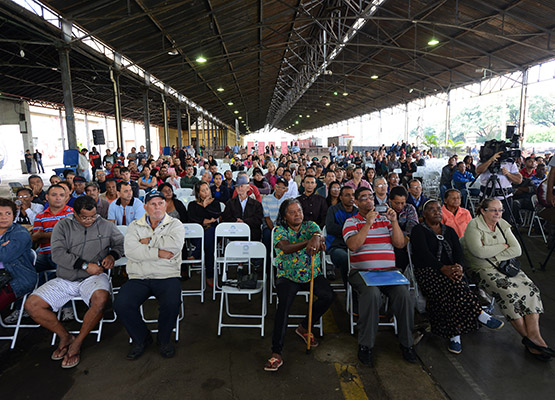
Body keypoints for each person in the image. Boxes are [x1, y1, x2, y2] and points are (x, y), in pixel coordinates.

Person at [25, 196, 124, 369]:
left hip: (93, 278)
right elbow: (57, 254)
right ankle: (65, 336)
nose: (90, 220)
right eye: (85, 217)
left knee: (101, 300)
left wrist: (112, 255)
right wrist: (85, 265)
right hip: (66, 277)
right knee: (32, 305)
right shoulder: (63, 226)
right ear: (75, 214)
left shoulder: (106, 225)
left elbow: (120, 244)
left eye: (93, 216)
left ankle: (78, 341)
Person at [462, 198, 553, 361]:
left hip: (505, 267)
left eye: (500, 210)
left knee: (530, 289)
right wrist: (503, 247)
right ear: (483, 211)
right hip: (482, 269)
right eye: (494, 210)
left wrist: (491, 251)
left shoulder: (502, 224)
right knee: (509, 293)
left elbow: (516, 250)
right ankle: (531, 340)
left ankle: (534, 336)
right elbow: (478, 253)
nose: (498, 213)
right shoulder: (474, 226)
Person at [411, 200, 503, 354]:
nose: (437, 212)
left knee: (454, 288)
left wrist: (459, 267)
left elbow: (458, 252)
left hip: (451, 271)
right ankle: (479, 314)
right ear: (424, 214)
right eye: (431, 209)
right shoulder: (418, 230)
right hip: (428, 271)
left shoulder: (449, 231)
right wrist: (442, 268)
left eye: (439, 209)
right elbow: (423, 254)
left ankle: (455, 335)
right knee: (453, 287)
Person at [343, 187, 417, 367]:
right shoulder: (351, 222)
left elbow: (399, 244)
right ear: (356, 203)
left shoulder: (386, 220)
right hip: (361, 273)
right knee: (372, 294)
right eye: (363, 198)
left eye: (370, 198)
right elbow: (353, 245)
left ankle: (407, 344)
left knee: (403, 294)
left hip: (389, 273)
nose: (368, 201)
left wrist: (394, 222)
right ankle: (366, 345)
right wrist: (367, 224)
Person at [114, 191, 185, 360]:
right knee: (121, 304)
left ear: (166, 205)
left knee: (172, 302)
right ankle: (142, 338)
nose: (157, 207)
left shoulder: (175, 224)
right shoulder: (134, 226)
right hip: (139, 276)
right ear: (145, 207)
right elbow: (131, 251)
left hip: (166, 274)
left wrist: (149, 242)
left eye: (160, 203)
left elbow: (174, 247)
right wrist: (159, 251)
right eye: (152, 204)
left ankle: (163, 340)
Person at [265, 198, 334, 372]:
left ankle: (304, 326)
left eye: (300, 211)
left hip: (311, 273)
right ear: (284, 215)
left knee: (328, 296)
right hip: (288, 275)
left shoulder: (311, 226)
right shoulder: (279, 230)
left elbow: (320, 237)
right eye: (292, 212)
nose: (298, 215)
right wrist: (309, 242)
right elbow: (286, 248)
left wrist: (317, 238)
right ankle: (276, 352)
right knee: (284, 307)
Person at [0, 198, 36, 312]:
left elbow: (5, 256)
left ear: (14, 215)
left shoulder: (20, 233)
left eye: (8, 213)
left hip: (17, 278)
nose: (4, 217)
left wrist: (3, 250)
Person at [32, 185, 74, 274]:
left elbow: (71, 235)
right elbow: (36, 239)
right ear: (47, 197)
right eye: (54, 195)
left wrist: (42, 235)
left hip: (64, 253)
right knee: (27, 269)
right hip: (44, 254)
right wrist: (59, 235)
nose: (58, 198)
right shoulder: (40, 216)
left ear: (66, 197)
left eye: (62, 195)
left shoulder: (72, 213)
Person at [187, 182, 222, 287]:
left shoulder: (215, 203)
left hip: (213, 234)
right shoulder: (192, 205)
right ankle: (209, 275)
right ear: (198, 193)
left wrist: (206, 205)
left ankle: (196, 255)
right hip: (197, 235)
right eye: (203, 190)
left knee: (209, 235)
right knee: (208, 244)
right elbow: (192, 218)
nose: (206, 192)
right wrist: (205, 220)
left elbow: (216, 215)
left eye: (207, 189)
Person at [326, 186, 358, 291]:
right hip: (337, 247)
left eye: (353, 195)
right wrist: (349, 230)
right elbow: (330, 228)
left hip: (355, 246)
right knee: (345, 259)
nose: (351, 197)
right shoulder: (333, 210)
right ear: (341, 197)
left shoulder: (358, 211)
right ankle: (349, 290)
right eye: (347, 195)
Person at [476, 151, 522, 222]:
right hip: (487, 197)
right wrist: (491, 160)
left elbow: (519, 180)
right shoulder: (484, 160)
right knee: (484, 221)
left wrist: (508, 174)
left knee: (505, 221)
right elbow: (478, 170)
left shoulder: (509, 162)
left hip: (505, 197)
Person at [223, 176, 264, 241]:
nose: (239, 188)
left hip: (252, 233)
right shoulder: (230, 203)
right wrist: (236, 220)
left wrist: (244, 221)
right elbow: (226, 217)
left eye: (242, 186)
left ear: (248, 188)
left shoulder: (256, 204)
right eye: (237, 186)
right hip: (234, 232)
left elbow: (258, 219)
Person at [262, 178, 290, 259]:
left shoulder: (288, 200)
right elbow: (267, 217)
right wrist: (274, 230)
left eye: (283, 188)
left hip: (285, 227)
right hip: (269, 226)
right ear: (274, 186)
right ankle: (267, 264)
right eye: (278, 186)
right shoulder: (266, 199)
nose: (280, 189)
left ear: (286, 190)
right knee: (267, 235)